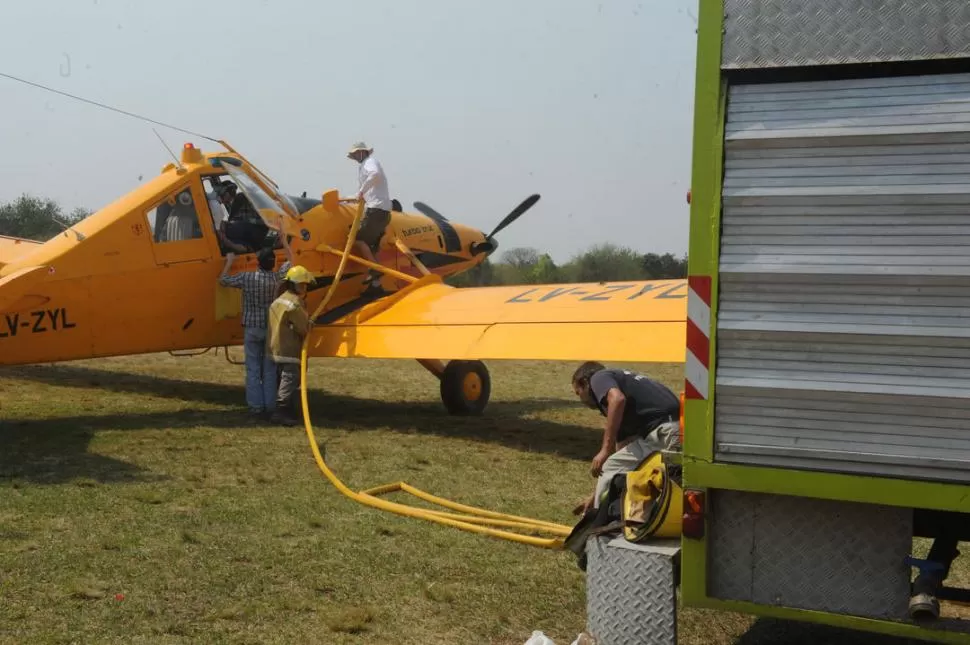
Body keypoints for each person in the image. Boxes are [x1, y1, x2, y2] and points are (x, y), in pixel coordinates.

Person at [570, 361, 682, 515]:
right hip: (674, 430)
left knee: (660, 486)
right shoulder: (625, 387)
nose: (580, 399)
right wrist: (596, 494)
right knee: (621, 470)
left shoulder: (598, 377)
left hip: (665, 431)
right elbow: (622, 458)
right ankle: (616, 516)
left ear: (584, 382)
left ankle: (594, 523)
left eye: (578, 393)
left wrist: (604, 450)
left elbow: (617, 399)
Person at [218, 235, 294, 419]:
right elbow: (293, 260)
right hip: (269, 328)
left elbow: (223, 280)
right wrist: (284, 240)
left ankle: (255, 406)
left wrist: (229, 262)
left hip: (251, 328)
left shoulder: (247, 277)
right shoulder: (277, 279)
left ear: (258, 263)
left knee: (252, 369)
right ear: (273, 263)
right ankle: (269, 406)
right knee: (269, 370)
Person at [267, 264, 314, 426]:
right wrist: (310, 323)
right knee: (290, 378)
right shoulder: (295, 304)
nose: (304, 288)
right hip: (289, 348)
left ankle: (288, 409)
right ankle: (281, 412)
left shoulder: (279, 300)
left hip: (275, 347)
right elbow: (303, 328)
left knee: (282, 378)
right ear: (294, 284)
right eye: (302, 284)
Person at [346, 141, 392, 293]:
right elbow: (365, 192)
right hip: (382, 211)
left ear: (361, 152)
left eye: (355, 155)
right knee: (370, 246)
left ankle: (375, 270)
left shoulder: (369, 162)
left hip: (376, 210)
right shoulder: (366, 165)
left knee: (358, 240)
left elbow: (375, 175)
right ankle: (376, 285)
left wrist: (361, 191)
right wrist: (351, 197)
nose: (354, 158)